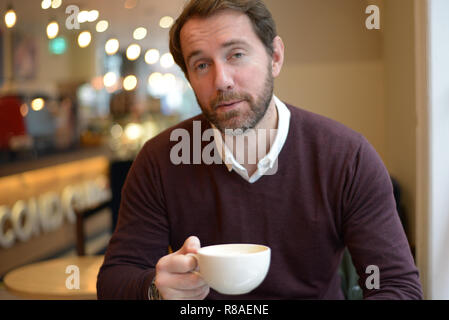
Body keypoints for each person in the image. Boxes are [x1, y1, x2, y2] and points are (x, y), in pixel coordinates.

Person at [97, 0, 423, 300]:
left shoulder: (346, 157)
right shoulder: (160, 160)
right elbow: (115, 280)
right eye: (201, 65)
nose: (221, 80)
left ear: (275, 57)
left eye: (236, 54)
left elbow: (397, 286)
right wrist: (154, 289)